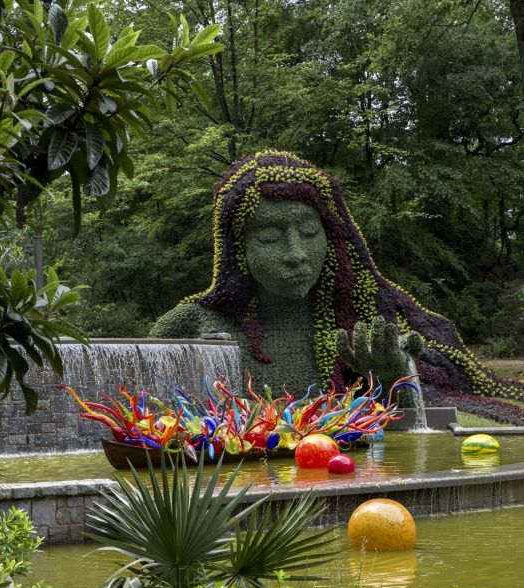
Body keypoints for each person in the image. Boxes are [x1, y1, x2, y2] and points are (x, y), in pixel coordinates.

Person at [151, 150, 524, 417]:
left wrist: (395, 378)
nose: (295, 254)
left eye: (310, 232)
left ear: (332, 240)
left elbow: (408, 438)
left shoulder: (360, 330)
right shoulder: (190, 327)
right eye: (268, 238)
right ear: (238, 249)